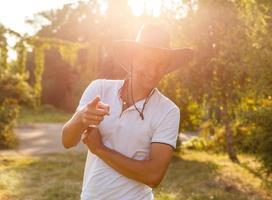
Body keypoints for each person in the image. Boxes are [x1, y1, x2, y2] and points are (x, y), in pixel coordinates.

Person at [61, 23, 194, 200]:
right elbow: (67, 141)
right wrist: (79, 118)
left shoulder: (168, 111)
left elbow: (153, 176)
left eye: (160, 64)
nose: (154, 71)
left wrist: (100, 149)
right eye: (147, 61)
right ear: (132, 59)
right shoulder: (99, 90)